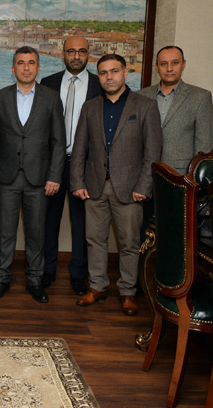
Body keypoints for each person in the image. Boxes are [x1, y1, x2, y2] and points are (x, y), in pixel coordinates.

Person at [70, 54, 162, 316]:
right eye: (103, 73)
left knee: (130, 243)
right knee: (94, 240)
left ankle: (128, 291)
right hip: (94, 186)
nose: (109, 77)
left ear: (125, 73)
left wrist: (144, 186)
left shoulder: (145, 106)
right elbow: (79, 149)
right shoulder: (90, 107)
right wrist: (77, 181)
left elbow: (152, 152)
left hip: (130, 189)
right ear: (98, 77)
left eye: (114, 71)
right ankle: (97, 286)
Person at [0, 46, 66, 304]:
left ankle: (35, 281)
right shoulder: (0, 97)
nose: (26, 67)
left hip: (39, 179)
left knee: (36, 233)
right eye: (21, 63)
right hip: (6, 177)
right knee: (5, 233)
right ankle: (2, 279)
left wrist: (55, 176)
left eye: (31, 63)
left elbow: (58, 141)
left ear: (38, 68)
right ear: (13, 68)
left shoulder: (51, 98)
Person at [40, 36, 103, 295]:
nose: (76, 56)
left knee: (82, 224)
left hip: (86, 167)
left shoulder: (100, 85)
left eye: (82, 51)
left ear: (88, 54)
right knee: (48, 221)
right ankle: (47, 271)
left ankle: (78, 274)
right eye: (71, 51)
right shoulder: (48, 83)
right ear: (62, 53)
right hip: (52, 165)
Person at [137, 46, 213, 174]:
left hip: (181, 176)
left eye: (175, 63)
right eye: (163, 64)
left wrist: (195, 179)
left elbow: (204, 147)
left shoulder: (200, 97)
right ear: (156, 67)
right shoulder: (141, 96)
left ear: (183, 64)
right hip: (144, 174)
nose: (169, 69)